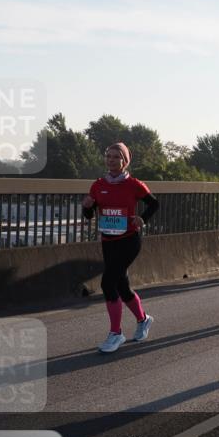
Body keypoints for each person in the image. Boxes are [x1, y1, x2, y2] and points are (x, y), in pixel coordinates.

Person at [82, 143, 159, 353]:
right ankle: (143, 320)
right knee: (122, 286)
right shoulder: (98, 185)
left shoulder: (133, 184)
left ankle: (116, 334)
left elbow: (154, 204)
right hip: (108, 241)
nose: (111, 160)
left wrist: (142, 218)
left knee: (108, 283)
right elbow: (89, 214)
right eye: (108, 156)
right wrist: (87, 207)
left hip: (129, 240)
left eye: (116, 157)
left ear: (124, 161)